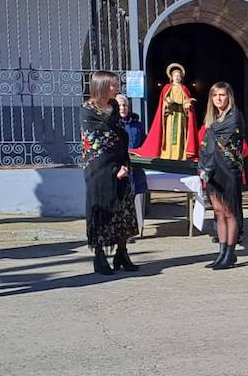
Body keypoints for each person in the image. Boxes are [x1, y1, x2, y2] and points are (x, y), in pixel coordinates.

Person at [80, 72, 140, 275]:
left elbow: (120, 137)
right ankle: (99, 255)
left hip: (121, 165)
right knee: (102, 212)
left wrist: (124, 165)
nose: (117, 88)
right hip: (100, 171)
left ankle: (122, 253)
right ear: (103, 86)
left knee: (123, 211)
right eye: (114, 85)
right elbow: (98, 143)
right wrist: (114, 169)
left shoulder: (114, 107)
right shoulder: (88, 111)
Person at [199, 82, 245, 270]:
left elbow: (223, 147)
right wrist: (202, 168)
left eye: (222, 95)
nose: (219, 98)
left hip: (227, 169)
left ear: (229, 97)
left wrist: (207, 167)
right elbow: (205, 146)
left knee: (229, 211)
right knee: (218, 212)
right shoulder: (212, 119)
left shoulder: (234, 117)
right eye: (215, 95)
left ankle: (230, 253)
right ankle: (221, 252)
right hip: (212, 171)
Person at [133, 62, 198, 160]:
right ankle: (167, 155)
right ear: (171, 77)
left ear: (181, 78)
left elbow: (186, 101)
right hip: (170, 117)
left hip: (180, 116)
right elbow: (164, 101)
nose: (177, 78)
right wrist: (167, 103)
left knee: (180, 136)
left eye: (178, 76)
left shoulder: (184, 89)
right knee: (168, 136)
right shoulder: (167, 88)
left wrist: (187, 104)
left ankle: (180, 155)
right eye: (175, 76)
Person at [116, 95, 148, 238]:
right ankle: (121, 231)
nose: (122, 108)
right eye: (120, 105)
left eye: (125, 105)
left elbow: (145, 144)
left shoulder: (138, 125)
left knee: (133, 200)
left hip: (135, 169)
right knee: (120, 200)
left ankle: (132, 230)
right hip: (118, 168)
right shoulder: (111, 124)